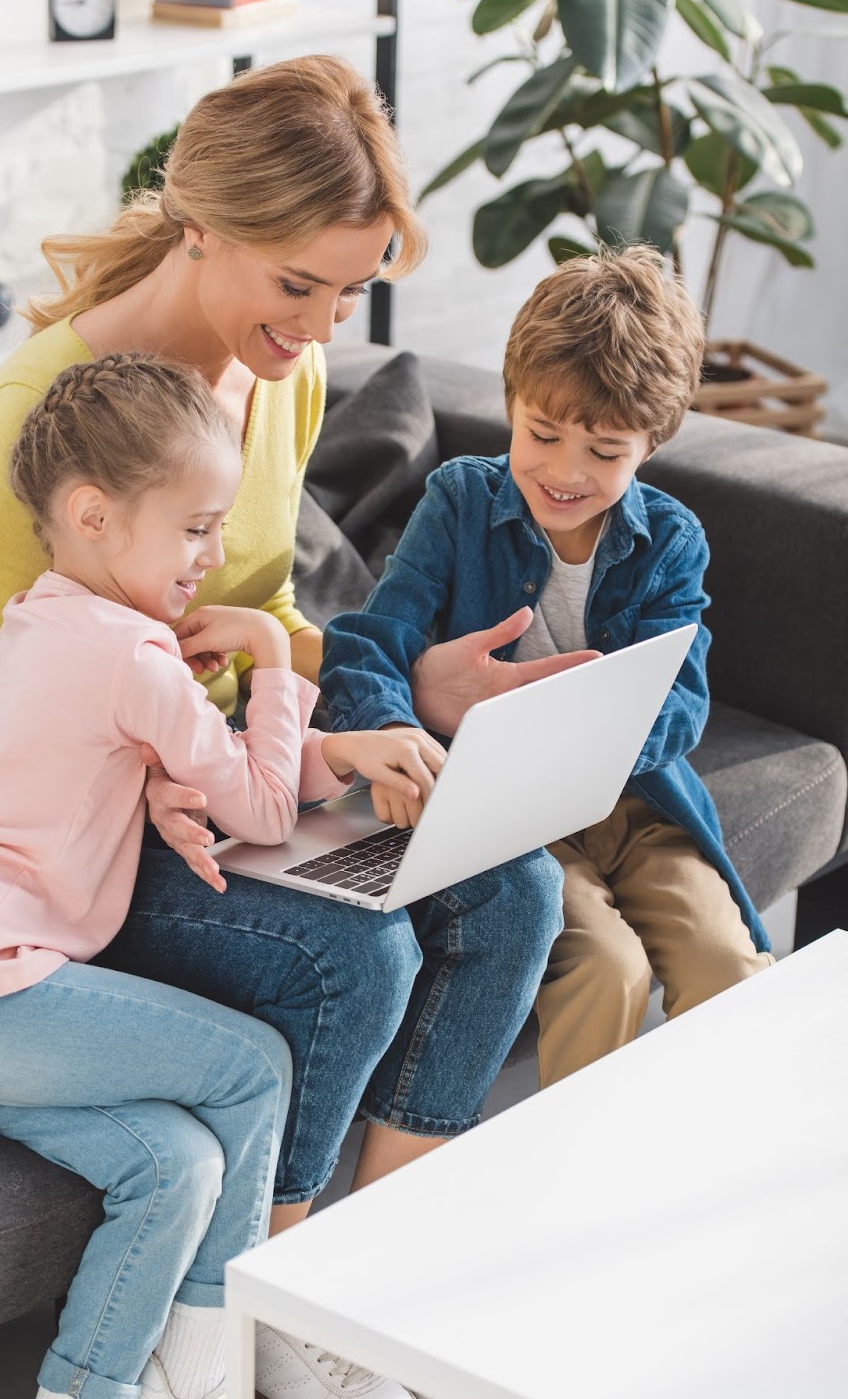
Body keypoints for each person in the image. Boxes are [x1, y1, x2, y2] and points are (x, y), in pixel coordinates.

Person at [0, 53, 566, 1399]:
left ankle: (375, 1283)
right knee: (354, 952)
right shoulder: (36, 430)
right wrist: (202, 749)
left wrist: (390, 691)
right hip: (76, 827)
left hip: (227, 762)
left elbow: (255, 607)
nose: (322, 324)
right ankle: (268, 1318)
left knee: (516, 888)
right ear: (201, 224)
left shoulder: (287, 375)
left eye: (353, 288)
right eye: (297, 286)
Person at [0, 353, 447, 1399]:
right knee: (254, 1064)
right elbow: (259, 804)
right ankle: (193, 1373)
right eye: (197, 527)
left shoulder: (65, 625)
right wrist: (276, 654)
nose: (211, 556)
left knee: (176, 1158)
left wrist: (281, 745)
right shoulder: (130, 656)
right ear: (94, 515)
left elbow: (217, 771)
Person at [321, 245, 774, 1091]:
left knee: (727, 966)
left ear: (652, 442)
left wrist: (588, 730)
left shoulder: (672, 540)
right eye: (543, 434)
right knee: (607, 968)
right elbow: (370, 638)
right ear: (512, 404)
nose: (565, 473)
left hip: (638, 806)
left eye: (605, 452)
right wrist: (386, 724)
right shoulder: (460, 501)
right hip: (511, 811)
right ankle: (573, 1184)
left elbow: (683, 699)